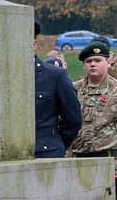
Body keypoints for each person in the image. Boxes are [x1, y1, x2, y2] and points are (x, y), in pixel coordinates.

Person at [69, 41, 117, 169]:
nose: (93, 64)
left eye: (98, 60)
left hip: (112, 161)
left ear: (108, 63)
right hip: (79, 161)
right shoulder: (73, 90)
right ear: (84, 65)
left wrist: (116, 139)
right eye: (89, 61)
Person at [34, 21, 82, 158]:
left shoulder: (55, 75)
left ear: (34, 44)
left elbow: (73, 119)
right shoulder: (2, 76)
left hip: (46, 154)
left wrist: (56, 144)